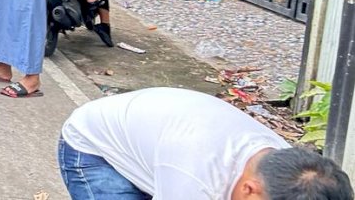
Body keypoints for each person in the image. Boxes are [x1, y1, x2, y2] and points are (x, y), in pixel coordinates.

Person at [59, 87, 354, 200]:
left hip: (160, 137)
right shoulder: (195, 178)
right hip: (95, 148)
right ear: (250, 190)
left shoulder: (280, 161)